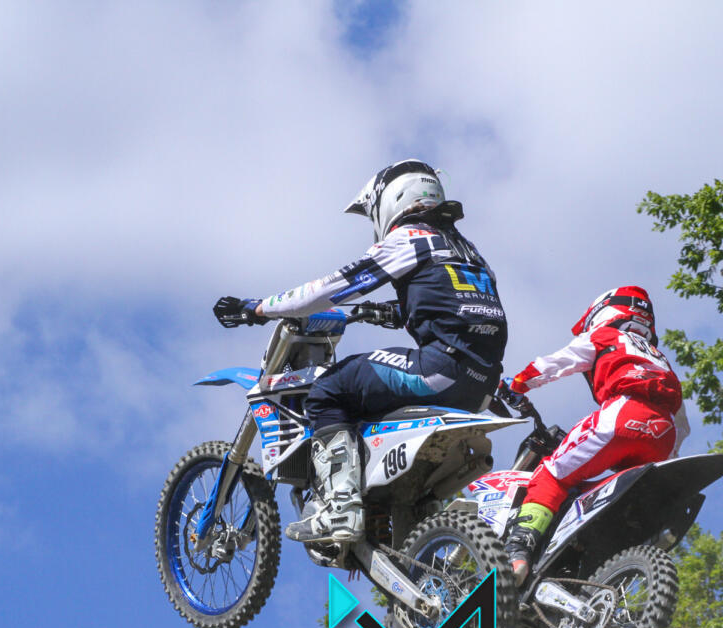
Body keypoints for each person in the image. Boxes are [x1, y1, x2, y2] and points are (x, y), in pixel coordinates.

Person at [215, 160, 507, 545]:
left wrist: (258, 308)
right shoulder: (467, 251)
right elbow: (455, 303)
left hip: (441, 368)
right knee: (370, 400)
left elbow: (329, 289)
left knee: (329, 389)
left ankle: (341, 508)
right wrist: (395, 310)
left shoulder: (409, 239)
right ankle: (392, 521)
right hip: (482, 383)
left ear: (390, 200)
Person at [501, 286, 688, 584]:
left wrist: (517, 384)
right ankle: (583, 560)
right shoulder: (660, 358)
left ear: (604, 311)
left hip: (622, 414)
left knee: (552, 474)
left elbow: (555, 364)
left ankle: (518, 553)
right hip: (662, 435)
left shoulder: (605, 335)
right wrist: (670, 456)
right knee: (599, 492)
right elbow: (682, 425)